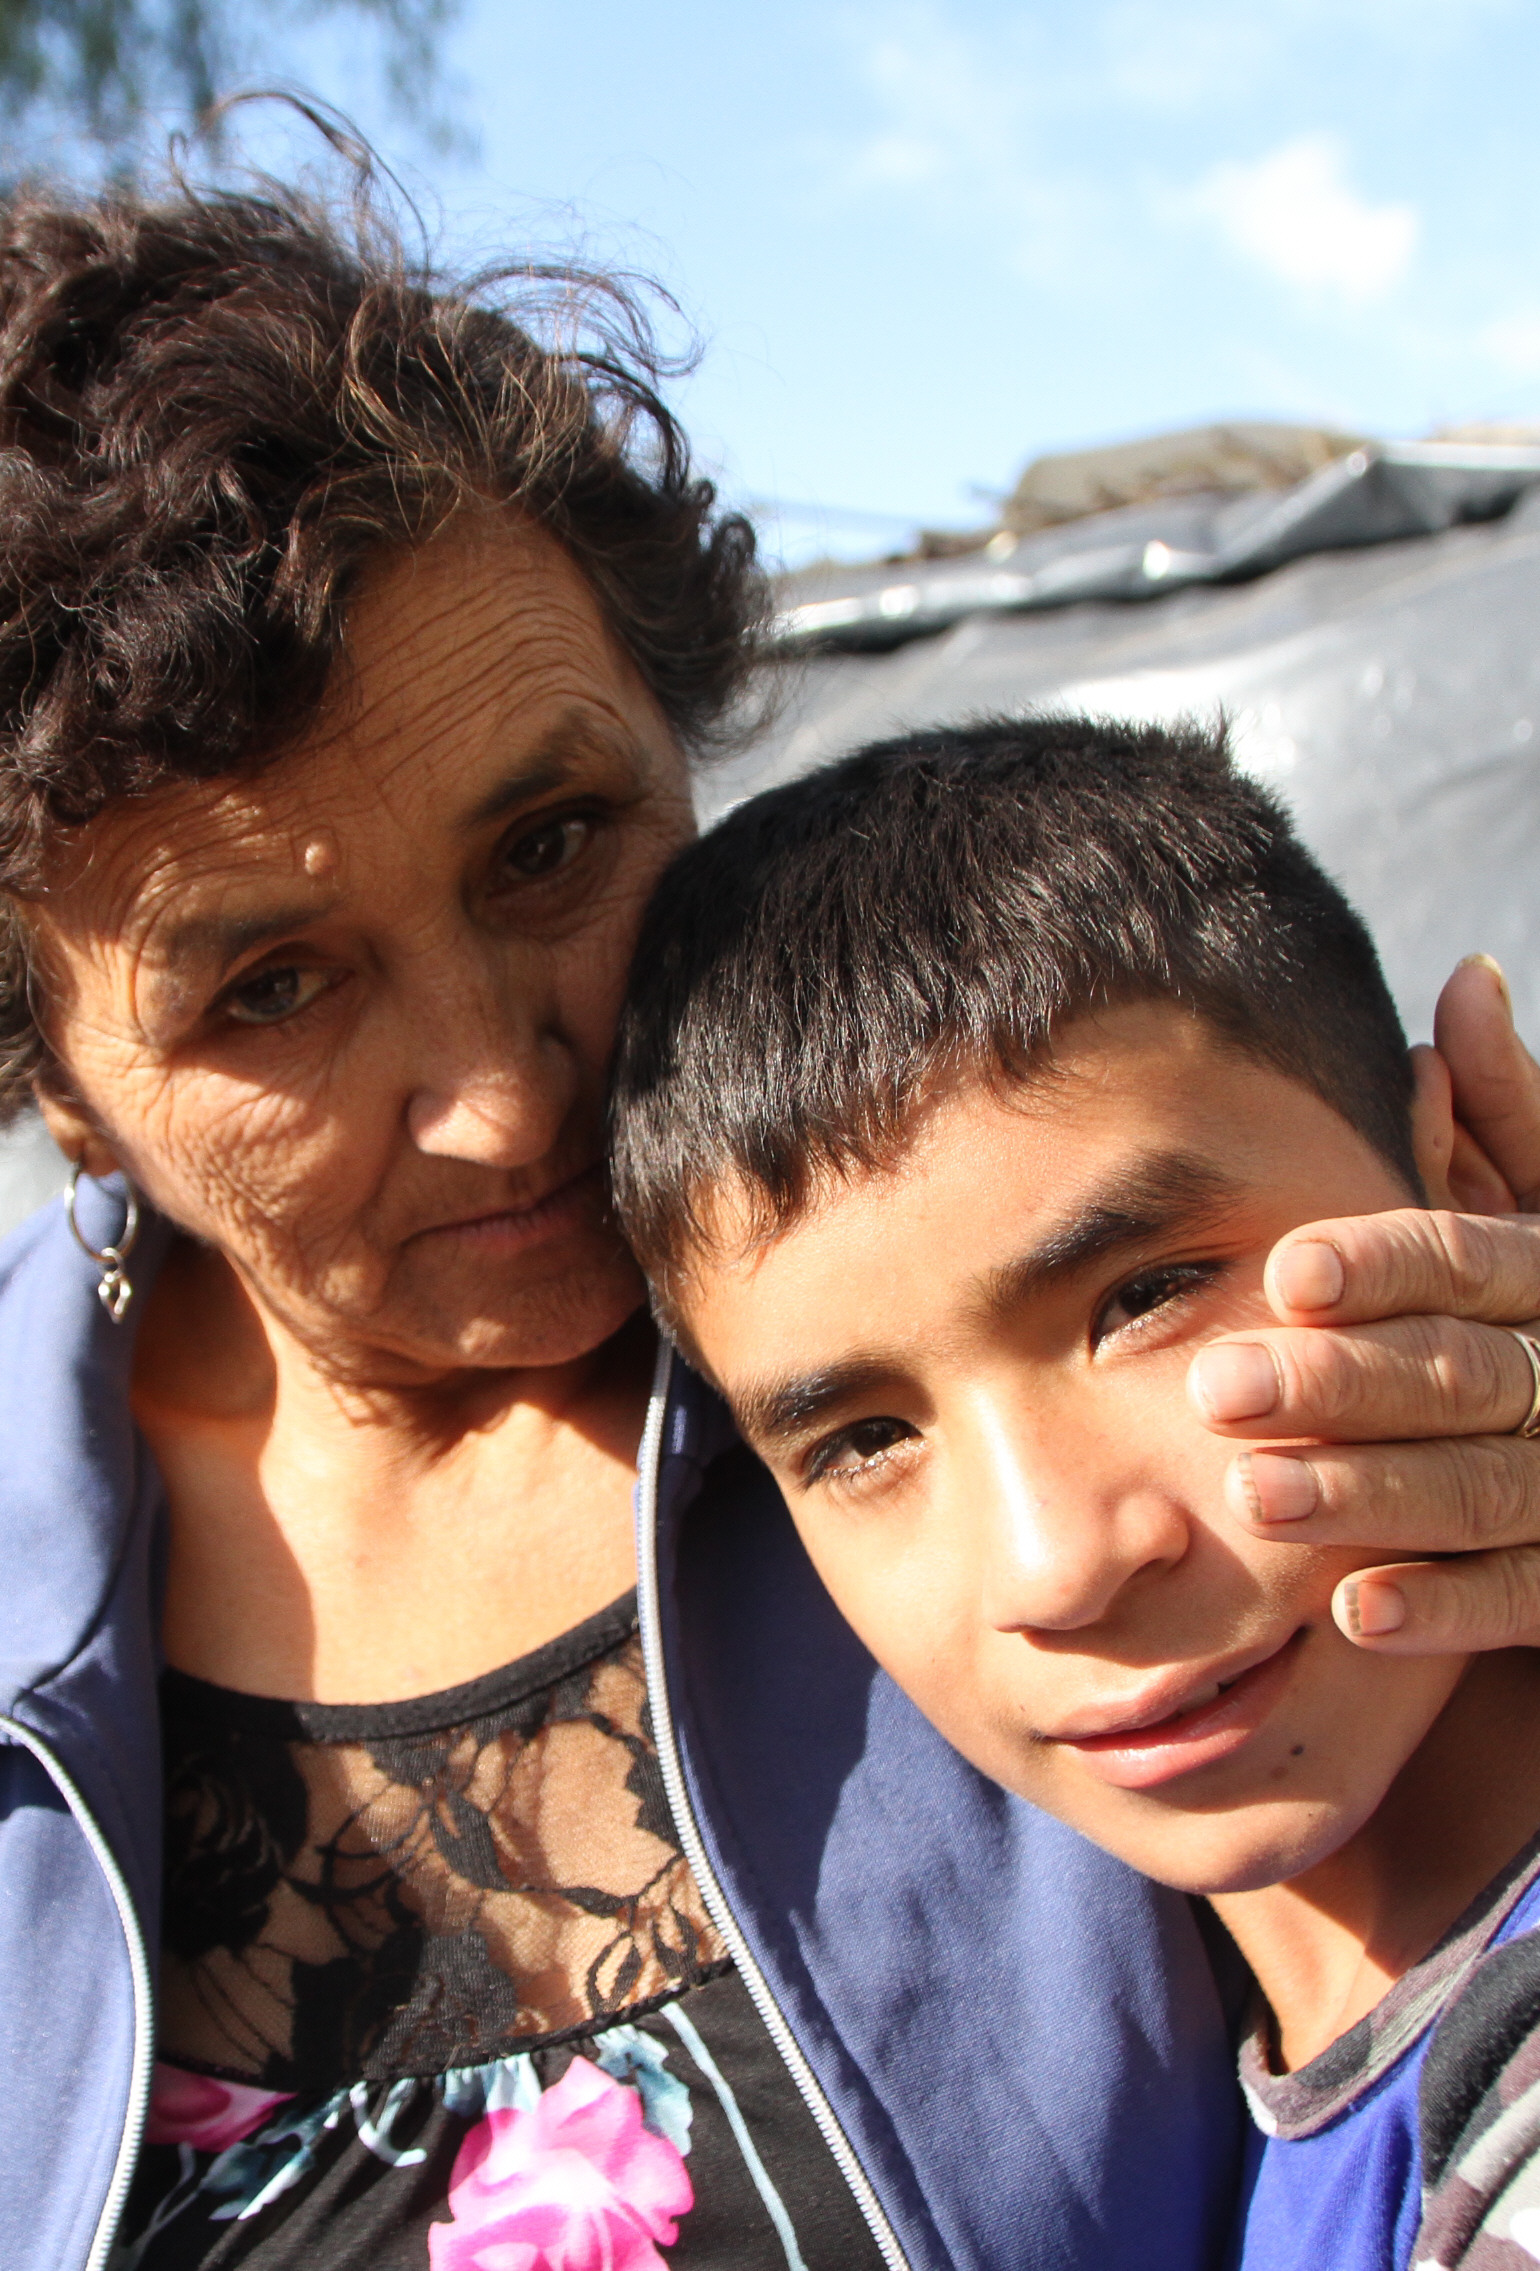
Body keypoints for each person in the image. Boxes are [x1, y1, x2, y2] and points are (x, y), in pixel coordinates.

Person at [3, 149, 1540, 2271]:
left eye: (550, 842)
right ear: (59, 1080)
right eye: (269, 987)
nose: (506, 1094)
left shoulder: (1049, 1277)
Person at [606, 713, 1540, 2271]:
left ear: (1470, 1189)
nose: (1054, 1563)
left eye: (1148, 1296)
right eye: (860, 1443)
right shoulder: (1252, 2124)